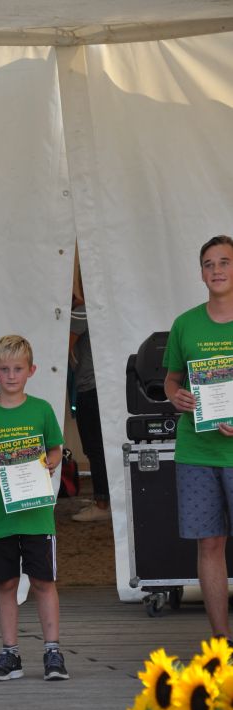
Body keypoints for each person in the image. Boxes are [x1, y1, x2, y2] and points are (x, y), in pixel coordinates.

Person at [0, 335, 69, 682]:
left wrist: (50, 462)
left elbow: (56, 448)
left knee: (43, 581)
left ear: (31, 370)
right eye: (4, 369)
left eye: (18, 369)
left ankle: (52, 651)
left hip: (37, 515)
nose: (11, 375)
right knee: (6, 582)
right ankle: (10, 653)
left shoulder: (42, 410)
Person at [163, 235, 233, 639]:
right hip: (196, 453)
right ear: (201, 273)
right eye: (209, 264)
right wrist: (176, 396)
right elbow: (172, 380)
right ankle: (221, 642)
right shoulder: (185, 324)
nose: (217, 270)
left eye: (224, 262)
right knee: (209, 545)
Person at [68, 289, 111, 522]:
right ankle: (104, 500)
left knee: (95, 449)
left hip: (90, 388)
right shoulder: (101, 309)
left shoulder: (82, 311)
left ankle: (102, 504)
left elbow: (64, 346)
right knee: (100, 448)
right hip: (102, 386)